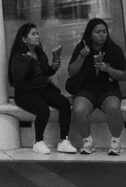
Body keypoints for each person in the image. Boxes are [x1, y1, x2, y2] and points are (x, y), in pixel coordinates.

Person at [8, 23, 77, 155]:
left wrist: (53, 67)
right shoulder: (19, 56)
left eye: (37, 33)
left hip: (43, 88)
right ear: (24, 39)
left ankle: (64, 140)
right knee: (43, 110)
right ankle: (38, 142)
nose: (37, 36)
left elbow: (45, 72)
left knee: (64, 103)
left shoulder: (39, 52)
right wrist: (27, 59)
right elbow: (18, 77)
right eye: (33, 34)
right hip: (25, 92)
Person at [66, 17, 126, 155]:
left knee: (113, 108)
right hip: (86, 90)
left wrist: (108, 69)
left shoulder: (115, 49)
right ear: (90, 34)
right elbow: (71, 72)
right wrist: (82, 57)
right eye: (97, 32)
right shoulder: (82, 48)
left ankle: (116, 142)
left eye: (104, 32)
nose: (101, 35)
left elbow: (124, 75)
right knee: (79, 110)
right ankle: (88, 141)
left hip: (108, 90)